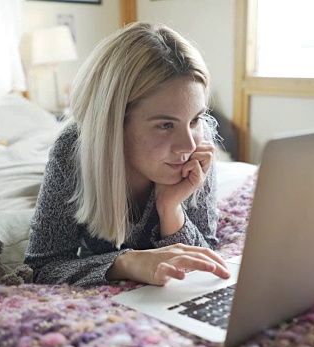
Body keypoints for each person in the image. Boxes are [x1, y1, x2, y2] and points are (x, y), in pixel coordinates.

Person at [24, 22, 230, 286]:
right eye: (165, 125)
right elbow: (41, 268)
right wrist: (125, 262)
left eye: (195, 119)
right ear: (114, 123)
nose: (187, 145)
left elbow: (204, 258)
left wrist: (171, 209)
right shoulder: (73, 151)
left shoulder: (199, 150)